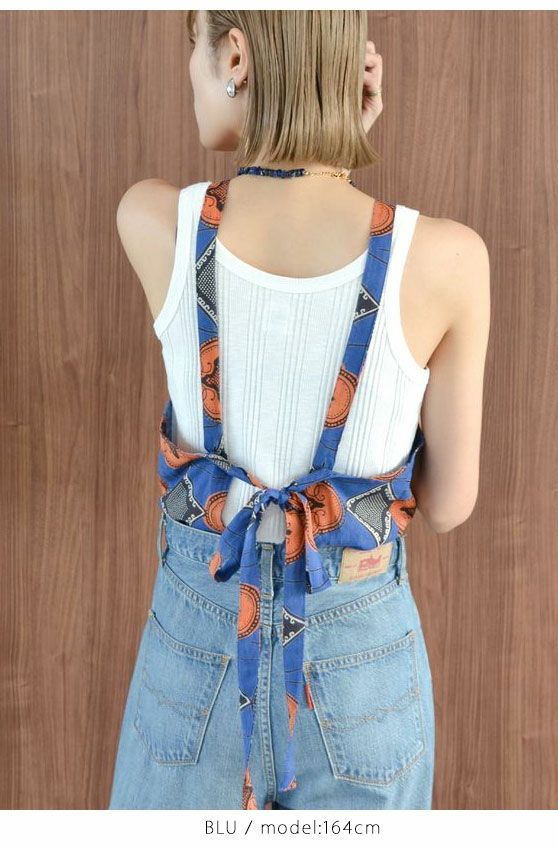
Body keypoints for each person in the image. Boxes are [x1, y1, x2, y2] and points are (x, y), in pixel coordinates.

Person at [109, 10, 490, 811]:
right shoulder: (448, 259)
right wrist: (337, 153)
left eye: (196, 47)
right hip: (361, 673)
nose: (192, 72)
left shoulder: (154, 220)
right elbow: (450, 504)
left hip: (197, 659)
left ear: (235, 55)